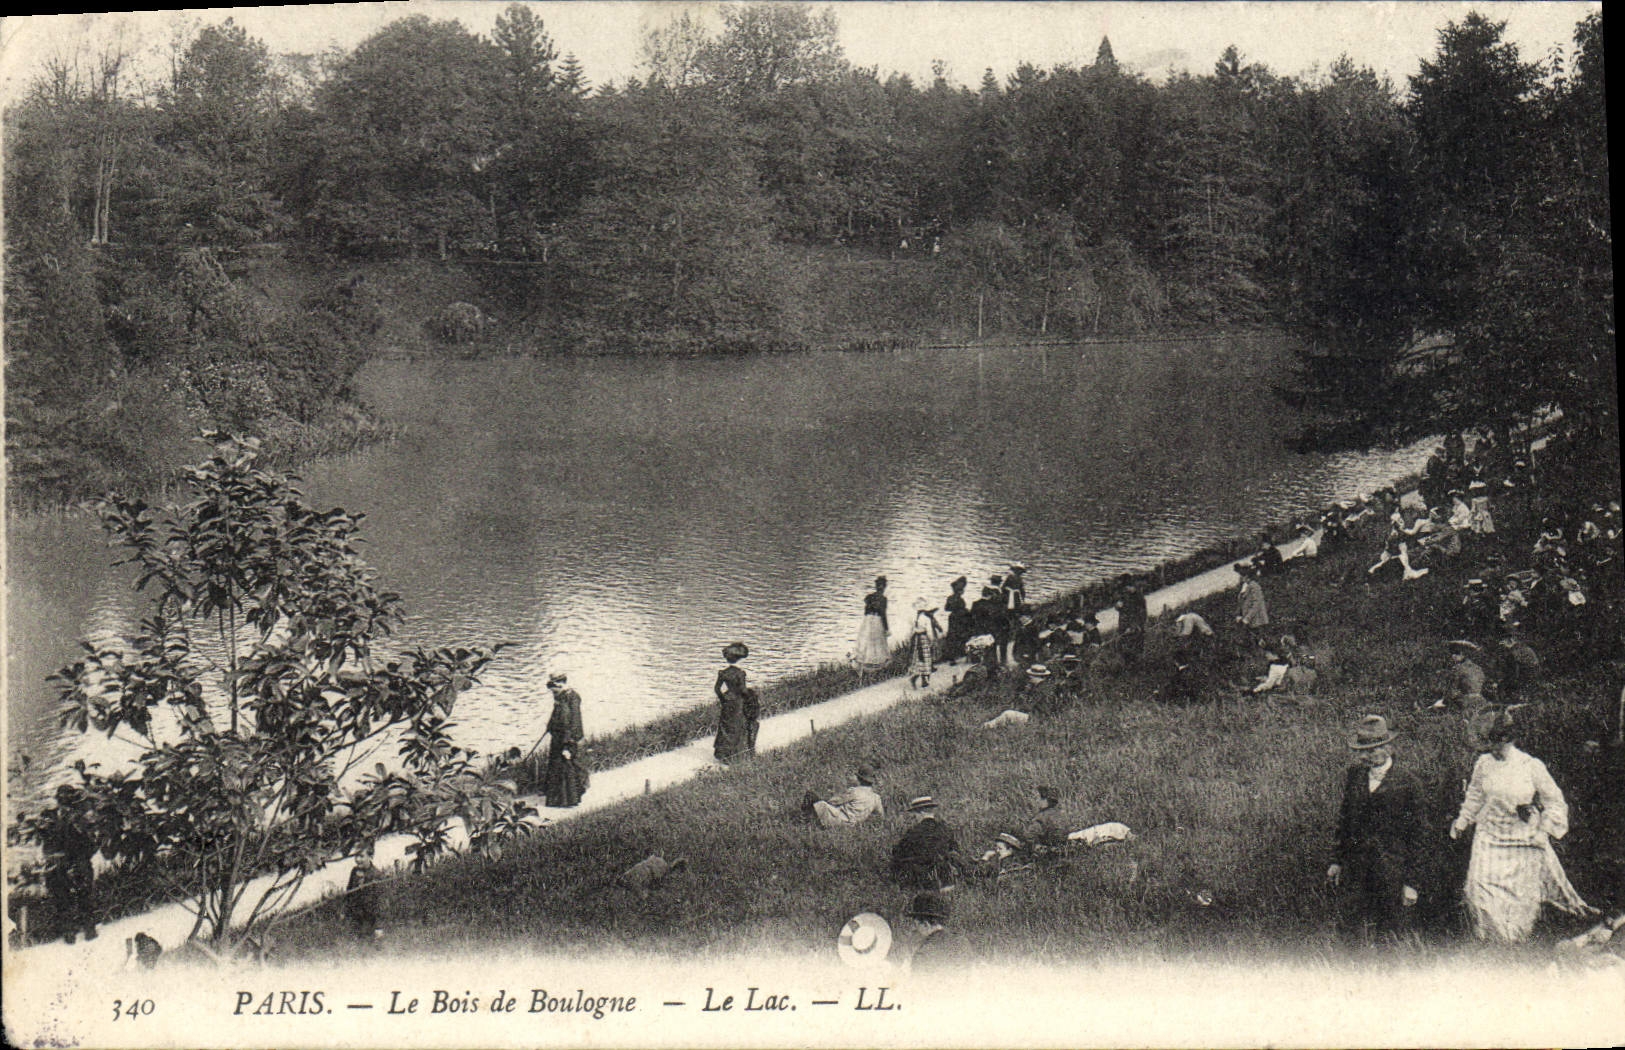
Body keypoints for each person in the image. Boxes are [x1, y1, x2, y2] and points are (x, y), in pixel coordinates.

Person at [1450, 709, 1594, 942]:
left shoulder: (1531, 766)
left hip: (1522, 838)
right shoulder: (1483, 764)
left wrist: (1544, 829)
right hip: (1489, 835)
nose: (1490, 749)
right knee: (1477, 891)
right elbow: (1475, 794)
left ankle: (1513, 942)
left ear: (1507, 738)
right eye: (1487, 744)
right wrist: (1463, 820)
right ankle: (1488, 941)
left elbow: (1555, 802)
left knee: (1518, 900)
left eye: (1495, 743)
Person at [1326, 716, 1424, 944]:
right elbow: (1345, 820)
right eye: (1361, 751)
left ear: (1387, 748)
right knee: (1349, 931)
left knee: (1388, 936)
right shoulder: (1355, 776)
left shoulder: (1409, 783)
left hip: (1391, 870)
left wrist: (1412, 883)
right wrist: (1336, 860)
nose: (1363, 757)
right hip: (1356, 868)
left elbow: (1418, 836)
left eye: (1370, 751)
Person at [41, 785, 98, 944]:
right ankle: (69, 931)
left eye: (67, 798)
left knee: (84, 894)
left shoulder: (81, 816)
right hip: (59, 861)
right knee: (61, 895)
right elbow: (45, 841)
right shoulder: (51, 816)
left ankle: (88, 928)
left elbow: (92, 841)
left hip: (79, 859)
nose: (63, 802)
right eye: (61, 798)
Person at [890, 796, 962, 890]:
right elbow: (956, 851)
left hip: (920, 877)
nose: (914, 818)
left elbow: (899, 853)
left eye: (914, 814)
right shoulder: (945, 829)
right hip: (943, 875)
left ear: (921, 812)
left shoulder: (913, 832)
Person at [543, 673, 589, 806]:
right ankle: (556, 798)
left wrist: (568, 745)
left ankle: (568, 800)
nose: (552, 693)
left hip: (567, 739)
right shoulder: (560, 697)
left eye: (554, 689)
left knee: (566, 767)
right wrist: (550, 726)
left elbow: (574, 722)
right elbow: (556, 715)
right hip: (558, 737)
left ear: (561, 685)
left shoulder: (572, 698)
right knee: (556, 766)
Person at [904, 891, 967, 973]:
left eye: (916, 925)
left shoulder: (923, 955)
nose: (914, 929)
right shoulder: (962, 943)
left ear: (925, 924)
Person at [804, 764, 885, 827]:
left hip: (840, 820)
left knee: (810, 795)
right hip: (853, 824)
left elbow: (834, 802)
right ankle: (811, 822)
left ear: (859, 779)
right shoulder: (876, 798)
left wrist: (822, 800)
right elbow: (880, 816)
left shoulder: (854, 791)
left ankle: (804, 821)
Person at [713, 644, 754, 763]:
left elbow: (717, 689)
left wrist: (723, 700)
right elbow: (743, 690)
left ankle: (723, 754)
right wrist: (750, 696)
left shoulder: (723, 673)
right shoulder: (740, 673)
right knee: (737, 727)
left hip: (727, 701)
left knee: (725, 727)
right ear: (740, 659)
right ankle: (735, 755)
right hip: (738, 702)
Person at [344, 846, 384, 943]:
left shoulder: (376, 875)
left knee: (368, 944)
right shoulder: (354, 871)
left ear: (371, 857)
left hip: (369, 917)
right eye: (356, 856)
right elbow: (349, 891)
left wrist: (378, 926)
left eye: (361, 856)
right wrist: (345, 910)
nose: (357, 859)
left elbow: (379, 901)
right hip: (355, 915)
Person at [854, 577, 891, 674]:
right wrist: (886, 628)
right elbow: (883, 614)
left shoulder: (869, 597)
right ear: (884, 587)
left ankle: (864, 662)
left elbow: (865, 611)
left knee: (866, 641)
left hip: (867, 620)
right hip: (877, 620)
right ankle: (875, 664)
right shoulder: (883, 599)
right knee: (877, 642)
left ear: (876, 587)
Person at [907, 599, 942, 689]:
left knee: (919, 659)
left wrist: (911, 639)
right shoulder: (926, 618)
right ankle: (923, 680)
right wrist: (932, 641)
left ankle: (917, 678)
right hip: (924, 638)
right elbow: (929, 631)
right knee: (926, 659)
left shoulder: (913, 617)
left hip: (916, 639)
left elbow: (911, 631)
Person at [941, 577, 973, 664]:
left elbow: (946, 608)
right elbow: (962, 609)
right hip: (960, 618)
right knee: (960, 635)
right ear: (960, 591)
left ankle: (951, 656)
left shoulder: (950, 598)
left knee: (952, 636)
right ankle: (958, 654)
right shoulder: (960, 599)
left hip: (952, 618)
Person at [1116, 583, 1149, 666]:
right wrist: (1117, 606)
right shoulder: (1125, 595)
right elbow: (1118, 607)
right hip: (1124, 625)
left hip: (1134, 627)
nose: (1126, 589)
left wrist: (1132, 626)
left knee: (1135, 645)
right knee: (1124, 644)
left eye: (1128, 587)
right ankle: (1128, 664)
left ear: (1132, 586)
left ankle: (1137, 664)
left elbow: (1141, 614)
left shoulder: (1139, 597)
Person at [1235, 563, 1269, 630]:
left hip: (1259, 621)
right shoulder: (1244, 586)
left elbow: (1257, 603)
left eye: (1243, 575)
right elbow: (1242, 603)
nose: (1241, 578)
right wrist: (1239, 615)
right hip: (1249, 622)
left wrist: (1247, 618)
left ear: (1248, 576)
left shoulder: (1254, 586)